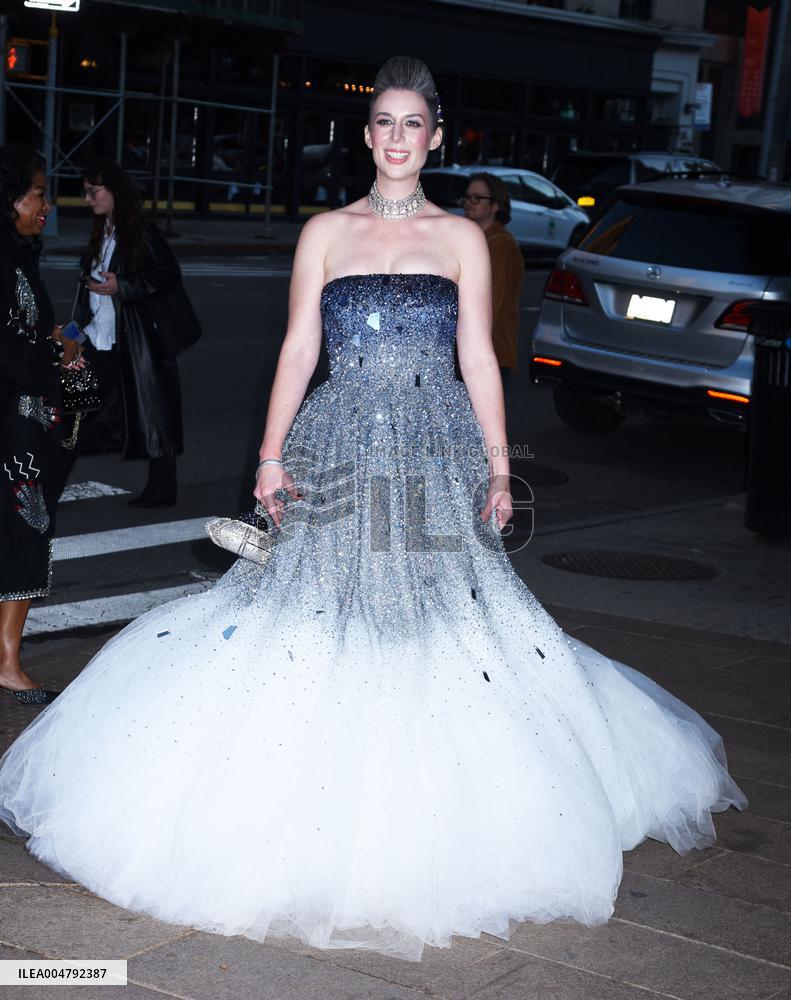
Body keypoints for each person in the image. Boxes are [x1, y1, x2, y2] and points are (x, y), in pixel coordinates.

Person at [0, 59, 746, 961]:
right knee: (310, 604)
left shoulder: (461, 239)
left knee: (435, 613)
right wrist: (271, 456)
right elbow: (297, 348)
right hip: (336, 439)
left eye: (412, 124)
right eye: (382, 123)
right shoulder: (325, 233)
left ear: (434, 137)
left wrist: (500, 470)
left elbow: (478, 358)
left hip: (434, 449)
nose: (396, 137)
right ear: (367, 136)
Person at [0, 144, 81, 705]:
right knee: (22, 533)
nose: (45, 205)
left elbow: (25, 333)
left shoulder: (20, 254)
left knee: (21, 534)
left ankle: (6, 658)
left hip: (25, 422)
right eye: (37, 194)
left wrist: (52, 339)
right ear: (10, 200)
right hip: (12, 427)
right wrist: (55, 357)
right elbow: (7, 351)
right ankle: (6, 662)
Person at [68, 161, 189, 507]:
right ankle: (51, 478)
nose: (88, 198)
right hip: (99, 338)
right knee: (76, 413)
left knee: (154, 415)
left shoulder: (140, 232)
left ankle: (163, 490)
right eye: (86, 191)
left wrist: (124, 285)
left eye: (94, 191)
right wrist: (75, 331)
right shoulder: (101, 232)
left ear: (115, 192)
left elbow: (168, 273)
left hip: (133, 340)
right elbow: (89, 294)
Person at [463, 172, 524, 390]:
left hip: (489, 357)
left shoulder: (501, 246)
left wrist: (470, 352)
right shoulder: (473, 240)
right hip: (469, 353)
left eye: (477, 198)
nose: (469, 203)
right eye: (468, 197)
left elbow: (494, 307)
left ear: (495, 206)